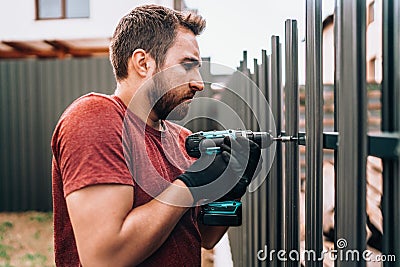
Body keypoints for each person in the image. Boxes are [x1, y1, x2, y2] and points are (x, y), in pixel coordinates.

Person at [51, 4, 261, 267]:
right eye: (187, 66)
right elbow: (104, 257)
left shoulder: (181, 139)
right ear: (143, 63)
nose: (198, 82)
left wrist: (230, 186)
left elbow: (205, 239)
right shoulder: (95, 117)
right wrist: (190, 186)